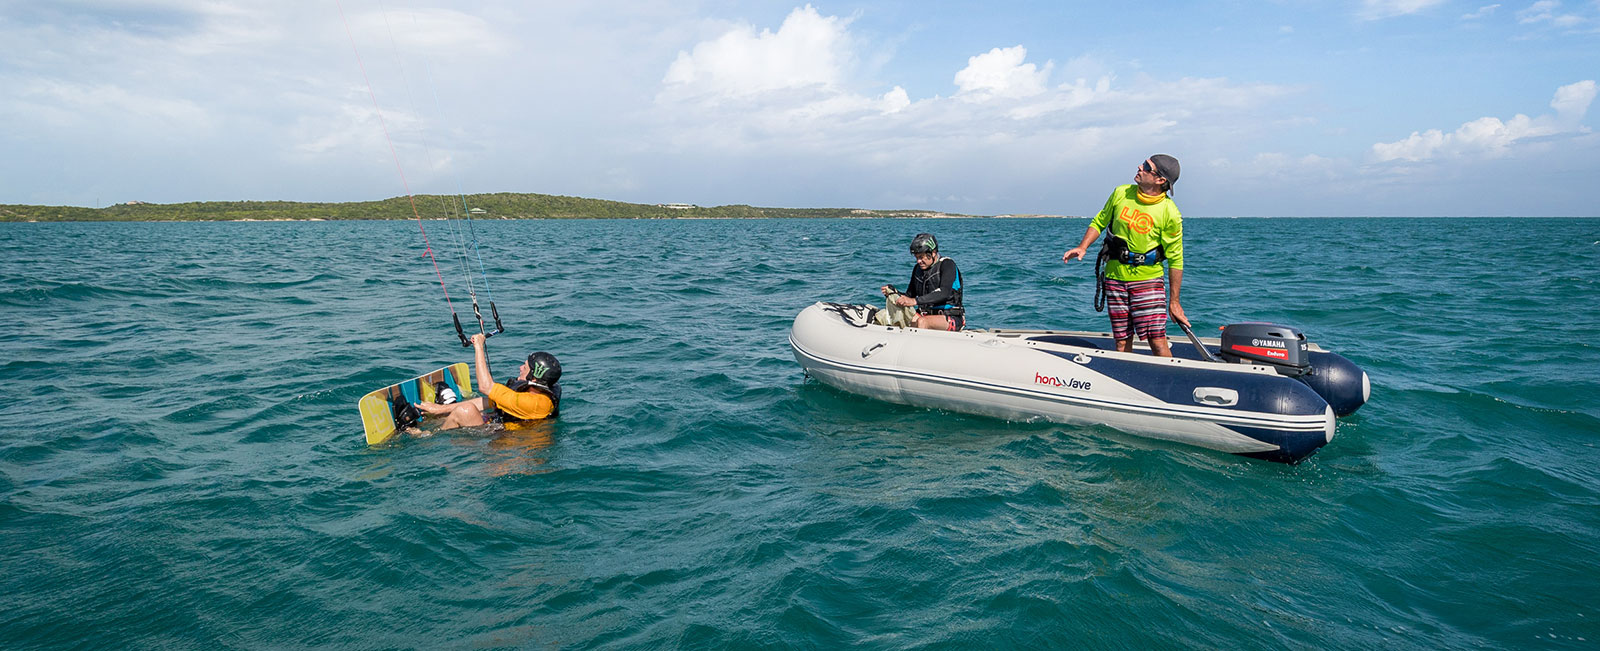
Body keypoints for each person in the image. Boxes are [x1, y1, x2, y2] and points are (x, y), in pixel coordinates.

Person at [1062, 154, 1186, 357]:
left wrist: (1174, 301)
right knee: (1121, 341)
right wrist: (1083, 246)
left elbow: (1176, 259)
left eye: (1147, 166)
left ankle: (1170, 382)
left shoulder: (1169, 212)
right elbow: (1100, 221)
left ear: (1160, 180)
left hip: (1147, 281)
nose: (1140, 166)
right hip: (1114, 279)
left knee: (1157, 341)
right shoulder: (1121, 193)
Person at [413, 333, 562, 430]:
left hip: (504, 453)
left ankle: (426, 436)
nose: (520, 367)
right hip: (499, 429)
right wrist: (439, 410)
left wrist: (478, 346)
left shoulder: (534, 403)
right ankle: (440, 414)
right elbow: (488, 400)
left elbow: (485, 387)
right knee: (474, 407)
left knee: (465, 412)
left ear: (534, 377)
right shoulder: (534, 392)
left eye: (525, 366)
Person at [879, 232, 965, 331]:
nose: (918, 261)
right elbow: (909, 296)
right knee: (895, 317)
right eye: (916, 258)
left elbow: (944, 292)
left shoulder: (948, 265)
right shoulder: (917, 269)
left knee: (923, 322)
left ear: (933, 253)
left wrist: (915, 301)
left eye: (921, 257)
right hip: (924, 315)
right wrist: (894, 293)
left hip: (950, 317)